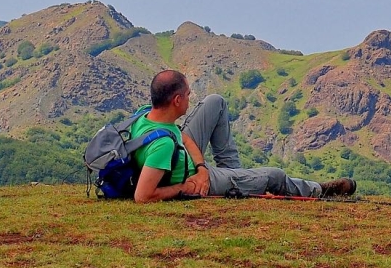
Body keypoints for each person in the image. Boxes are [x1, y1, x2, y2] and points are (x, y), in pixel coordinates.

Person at [131, 69, 356, 204]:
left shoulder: (146, 115)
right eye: (188, 95)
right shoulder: (162, 146)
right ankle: (319, 189)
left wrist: (201, 166)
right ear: (177, 100)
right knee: (274, 175)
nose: (191, 99)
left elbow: (180, 136)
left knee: (215, 102)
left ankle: (237, 177)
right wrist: (187, 186)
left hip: (192, 164)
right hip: (193, 179)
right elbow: (143, 196)